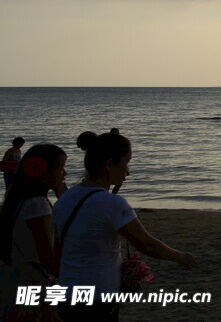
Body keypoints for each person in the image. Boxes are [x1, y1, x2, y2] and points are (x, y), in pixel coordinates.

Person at [53, 133, 196, 321]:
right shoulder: (111, 203)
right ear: (110, 164)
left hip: (65, 294)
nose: (128, 171)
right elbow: (147, 244)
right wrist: (181, 256)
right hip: (98, 297)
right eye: (126, 163)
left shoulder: (66, 198)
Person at [0, 144, 66, 322]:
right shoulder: (38, 205)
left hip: (19, 278)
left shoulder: (21, 200)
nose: (64, 174)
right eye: (60, 168)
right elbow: (48, 257)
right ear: (42, 172)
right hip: (35, 282)